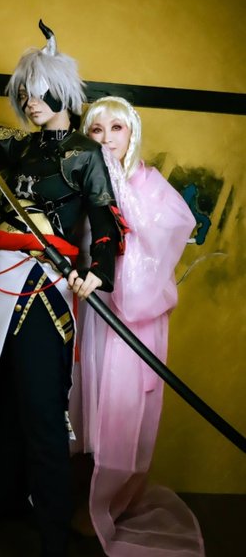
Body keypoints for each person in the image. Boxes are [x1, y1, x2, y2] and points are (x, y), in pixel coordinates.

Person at [0, 22, 127, 557]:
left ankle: (52, 533)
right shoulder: (18, 146)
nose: (28, 102)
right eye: (22, 94)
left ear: (62, 93)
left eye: (37, 92)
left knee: (42, 405)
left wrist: (98, 270)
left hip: (44, 284)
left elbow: (105, 221)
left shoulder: (85, 154)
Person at [70, 96, 205, 556]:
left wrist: (124, 200)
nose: (107, 138)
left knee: (123, 406)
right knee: (84, 402)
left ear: (132, 135)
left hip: (135, 313)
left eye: (117, 128)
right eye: (96, 130)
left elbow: (172, 231)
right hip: (93, 304)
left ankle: (111, 504)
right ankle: (80, 497)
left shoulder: (148, 183)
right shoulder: (81, 181)